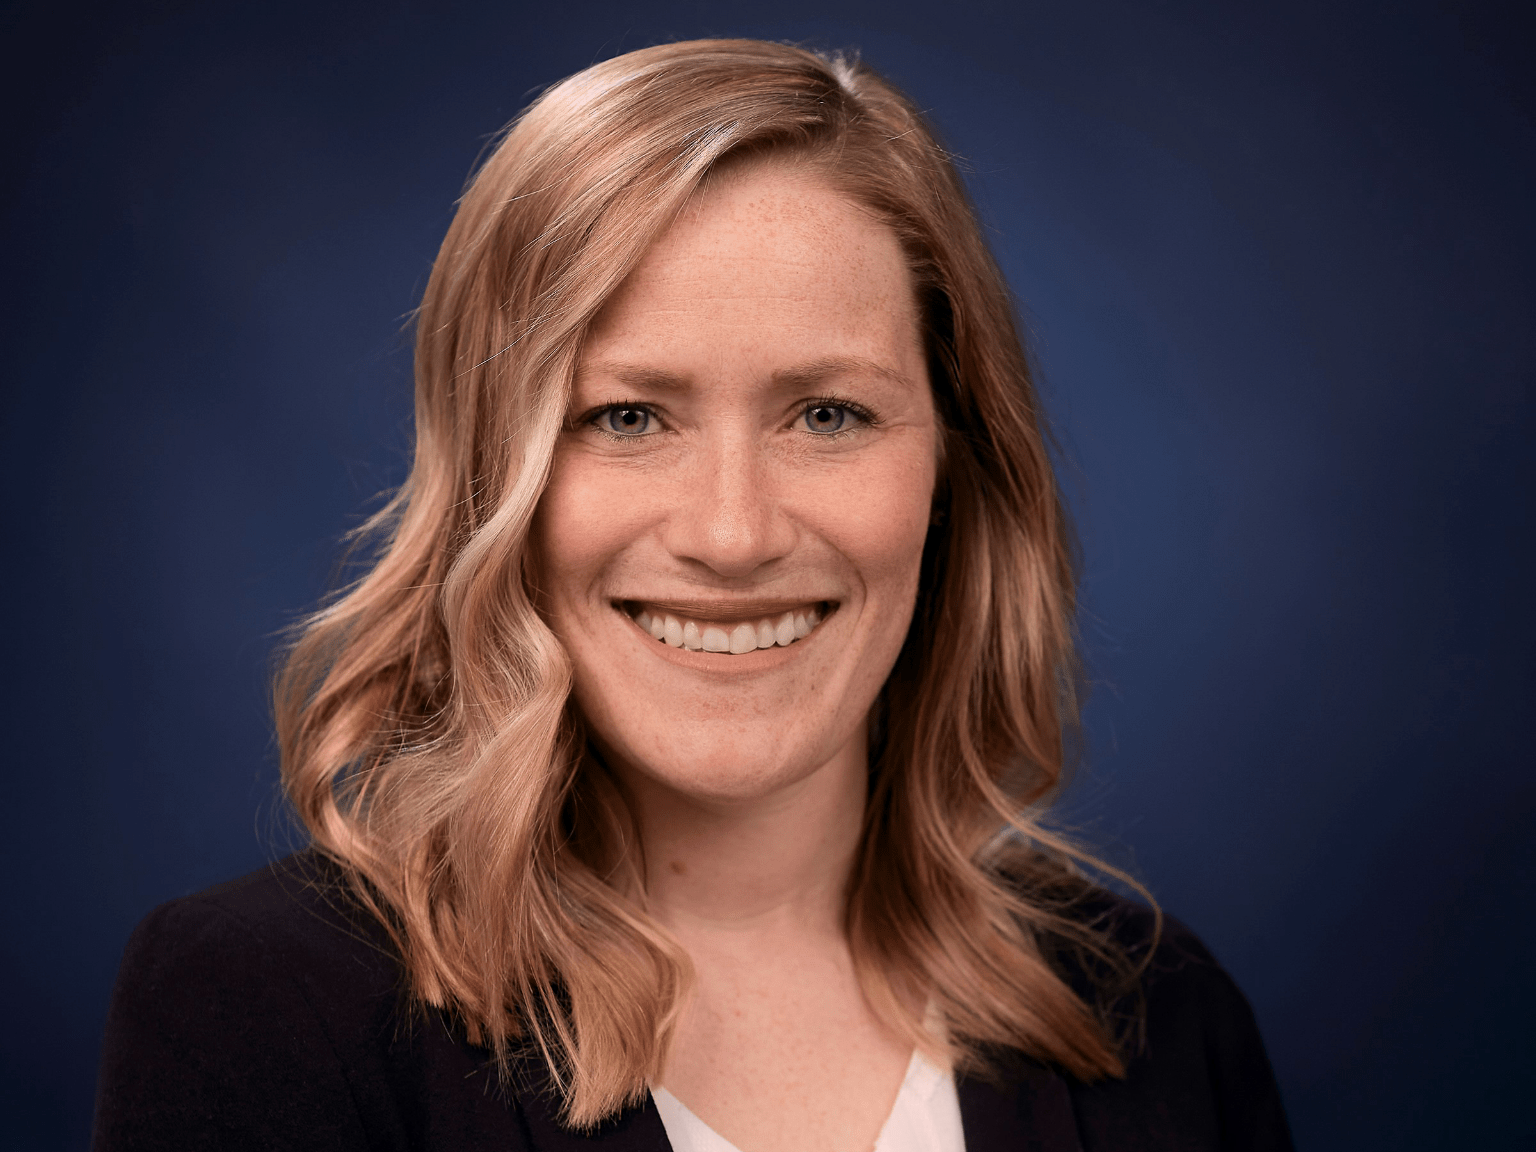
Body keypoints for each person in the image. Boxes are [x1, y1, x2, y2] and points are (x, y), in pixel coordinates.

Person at [93, 39, 1292, 1152]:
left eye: (829, 414)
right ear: (492, 480)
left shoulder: (1157, 1017)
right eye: (626, 417)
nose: (733, 533)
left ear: (954, 467)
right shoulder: (262, 1012)